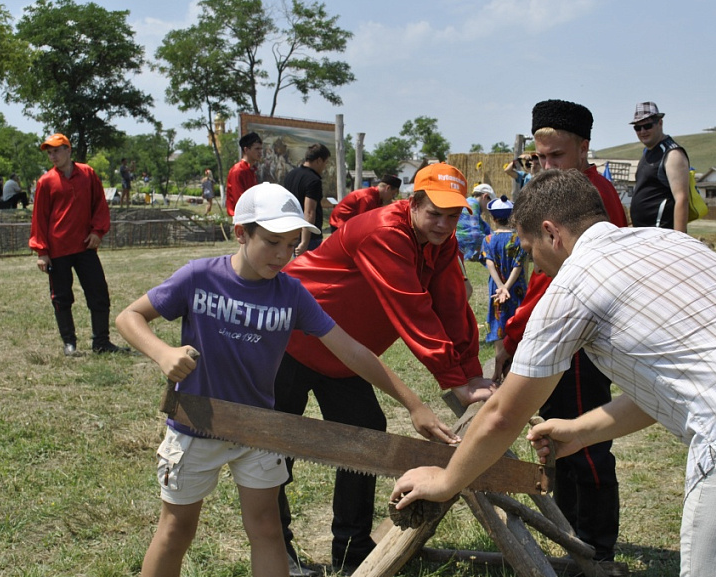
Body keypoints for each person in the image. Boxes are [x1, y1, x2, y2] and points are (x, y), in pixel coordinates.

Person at [393, 168, 716, 577]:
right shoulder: (667, 242)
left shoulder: (574, 285)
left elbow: (504, 413)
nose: (532, 260)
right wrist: (581, 430)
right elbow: (679, 380)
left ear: (551, 232)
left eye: (528, 248)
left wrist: (445, 481)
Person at [115, 183, 456, 577]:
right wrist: (164, 353)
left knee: (266, 528)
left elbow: (352, 351)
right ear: (241, 232)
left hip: (261, 431)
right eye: (272, 242)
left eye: (292, 244)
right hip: (197, 425)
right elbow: (129, 318)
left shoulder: (291, 294)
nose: (283, 255)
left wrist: (414, 405)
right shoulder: (199, 277)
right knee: (177, 529)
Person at [274, 162, 496, 572]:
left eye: (453, 216)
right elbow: (411, 306)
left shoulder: (440, 241)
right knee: (275, 445)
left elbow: (450, 302)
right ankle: (275, 549)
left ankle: (352, 548)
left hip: (342, 355)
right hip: (289, 339)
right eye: (434, 214)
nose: (444, 225)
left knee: (366, 438)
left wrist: (469, 374)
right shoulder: (384, 231)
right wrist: (451, 379)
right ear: (412, 203)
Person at [492, 99, 628, 569]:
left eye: (557, 157)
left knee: (583, 441)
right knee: (559, 437)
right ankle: (575, 536)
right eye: (539, 158)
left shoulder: (590, 199)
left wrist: (514, 331)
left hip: (576, 335)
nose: (545, 167)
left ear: (585, 149)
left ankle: (595, 548)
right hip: (556, 327)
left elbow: (557, 287)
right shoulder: (560, 192)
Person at [29, 133, 128, 356]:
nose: (52, 156)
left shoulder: (88, 174)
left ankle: (101, 342)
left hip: (85, 247)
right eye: (49, 152)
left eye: (56, 150)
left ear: (68, 150)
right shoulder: (45, 182)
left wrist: (97, 231)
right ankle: (69, 343)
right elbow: (39, 218)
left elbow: (99, 205)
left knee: (99, 293)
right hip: (57, 250)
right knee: (61, 297)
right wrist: (42, 251)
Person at [629, 102, 690, 232]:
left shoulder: (672, 154)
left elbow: (682, 199)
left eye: (647, 125)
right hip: (644, 235)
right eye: (637, 128)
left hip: (661, 236)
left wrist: (679, 240)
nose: (642, 131)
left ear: (660, 123)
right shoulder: (648, 153)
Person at [481, 195, 528, 354]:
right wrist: (507, 287)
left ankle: (498, 365)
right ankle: (513, 364)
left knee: (498, 324)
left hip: (496, 290)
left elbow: (489, 263)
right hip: (516, 289)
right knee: (518, 323)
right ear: (513, 218)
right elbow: (518, 265)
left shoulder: (488, 239)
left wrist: (501, 287)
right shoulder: (518, 239)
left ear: (493, 219)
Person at [283, 143, 330, 254]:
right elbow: (309, 212)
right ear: (318, 160)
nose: (325, 167)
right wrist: (304, 242)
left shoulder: (290, 175)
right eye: (325, 162)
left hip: (291, 231)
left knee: (293, 268)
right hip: (309, 238)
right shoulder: (314, 180)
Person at [328, 174, 401, 232]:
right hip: (339, 223)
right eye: (393, 194)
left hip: (349, 225)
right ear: (387, 188)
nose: (392, 198)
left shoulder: (377, 197)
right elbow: (365, 224)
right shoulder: (367, 198)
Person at [226, 132, 262, 217]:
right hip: (241, 219)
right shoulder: (238, 170)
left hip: (250, 217)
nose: (260, 152)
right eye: (257, 149)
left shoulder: (251, 170)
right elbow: (240, 200)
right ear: (246, 150)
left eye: (261, 149)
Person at [455, 183, 493, 264]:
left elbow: (483, 226)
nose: (489, 208)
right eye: (490, 203)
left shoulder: (469, 201)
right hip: (462, 243)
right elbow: (474, 234)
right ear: (485, 196)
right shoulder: (473, 204)